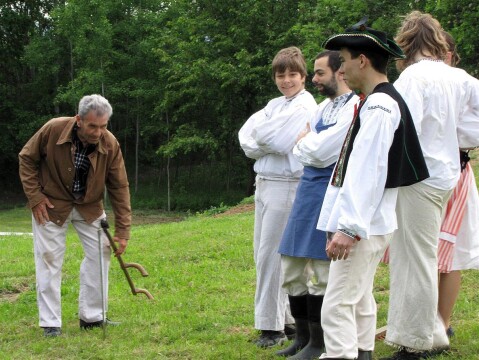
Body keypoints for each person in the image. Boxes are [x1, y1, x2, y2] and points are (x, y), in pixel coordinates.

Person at [316, 18, 429, 360]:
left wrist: (348, 227)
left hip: (363, 225)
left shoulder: (380, 105)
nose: (341, 70)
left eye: (345, 61)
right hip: (370, 222)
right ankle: (363, 352)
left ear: (362, 61)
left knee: (336, 307)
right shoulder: (375, 100)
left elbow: (367, 171)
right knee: (360, 297)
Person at [384, 12, 479, 359]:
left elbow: (399, 128)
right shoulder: (459, 77)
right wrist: (459, 136)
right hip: (448, 176)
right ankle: (425, 332)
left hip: (418, 178)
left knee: (415, 259)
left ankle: (417, 341)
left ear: (406, 42)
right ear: (437, 39)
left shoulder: (413, 77)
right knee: (423, 256)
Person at [18, 94, 132, 337]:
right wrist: (35, 197)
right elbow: (26, 158)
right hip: (51, 204)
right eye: (92, 126)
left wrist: (122, 230)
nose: (98, 132)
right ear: (78, 120)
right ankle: (50, 324)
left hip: (89, 205)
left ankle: (92, 317)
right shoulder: (53, 129)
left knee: (101, 253)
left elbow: (119, 187)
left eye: (103, 126)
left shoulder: (110, 144)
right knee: (49, 258)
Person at [276, 50, 359, 359]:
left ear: (340, 72)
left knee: (323, 272)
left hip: (331, 189)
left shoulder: (354, 107)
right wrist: (307, 145)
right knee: (291, 266)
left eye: (320, 73)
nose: (314, 78)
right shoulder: (323, 107)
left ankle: (318, 342)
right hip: (307, 190)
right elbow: (302, 148)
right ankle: (301, 337)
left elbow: (323, 151)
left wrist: (306, 144)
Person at [238, 46, 317, 348]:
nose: (286, 80)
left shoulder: (307, 106)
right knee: (263, 252)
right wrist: (265, 141)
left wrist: (265, 140)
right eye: (281, 75)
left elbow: (278, 141)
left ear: (303, 76)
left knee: (273, 255)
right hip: (265, 183)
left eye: (292, 74)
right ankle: (286, 318)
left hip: (287, 184)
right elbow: (247, 137)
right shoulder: (274, 105)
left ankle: (270, 327)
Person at [437, 31, 479, 340]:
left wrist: (451, 136)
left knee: (451, 253)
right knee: (427, 251)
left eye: (442, 53)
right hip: (424, 174)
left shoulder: (463, 85)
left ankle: (443, 321)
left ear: (451, 55)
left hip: (456, 169)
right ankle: (426, 318)